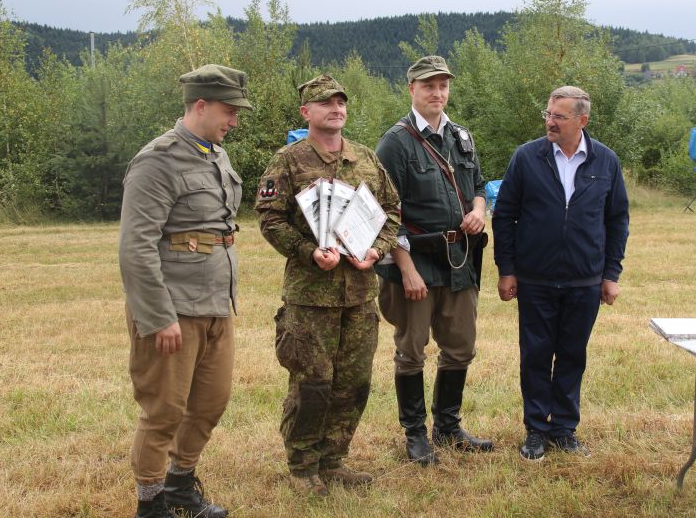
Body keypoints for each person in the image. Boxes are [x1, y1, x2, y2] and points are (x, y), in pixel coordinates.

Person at [255, 74, 400, 497]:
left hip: (360, 292)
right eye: (325, 103)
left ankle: (334, 460)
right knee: (312, 383)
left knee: (353, 382)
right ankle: (303, 465)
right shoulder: (288, 160)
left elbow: (391, 209)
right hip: (310, 295)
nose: (336, 109)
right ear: (306, 112)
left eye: (341, 103)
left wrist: (376, 250)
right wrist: (307, 251)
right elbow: (270, 219)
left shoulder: (365, 158)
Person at [119, 64, 252, 518]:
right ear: (200, 105)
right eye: (229, 110)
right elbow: (136, 248)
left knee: (210, 403)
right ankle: (150, 503)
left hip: (216, 303)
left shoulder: (216, 155)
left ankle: (179, 486)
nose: (234, 120)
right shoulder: (157, 160)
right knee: (164, 411)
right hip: (174, 307)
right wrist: (158, 317)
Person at [492, 85, 629, 461]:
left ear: (582, 120)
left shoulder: (606, 161)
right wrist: (507, 270)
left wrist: (611, 274)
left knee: (572, 355)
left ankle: (564, 429)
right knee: (535, 355)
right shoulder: (526, 157)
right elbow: (504, 216)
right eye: (548, 115)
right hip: (535, 278)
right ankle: (536, 430)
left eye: (559, 117)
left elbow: (617, 220)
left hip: (585, 280)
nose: (550, 122)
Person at [375, 55, 493, 466]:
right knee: (411, 350)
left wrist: (479, 209)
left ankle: (447, 427)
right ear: (412, 89)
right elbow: (384, 212)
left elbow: (479, 185)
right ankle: (415, 436)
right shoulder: (395, 142)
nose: (437, 93)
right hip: (416, 260)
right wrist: (406, 270)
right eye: (428, 86)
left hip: (459, 259)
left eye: (443, 85)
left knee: (460, 346)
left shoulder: (462, 137)